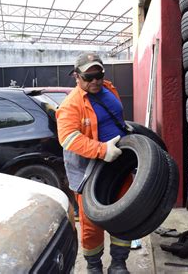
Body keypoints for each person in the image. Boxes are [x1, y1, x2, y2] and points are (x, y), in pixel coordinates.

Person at [56, 52, 131, 274]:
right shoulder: (71, 105)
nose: (95, 81)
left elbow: (118, 119)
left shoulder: (109, 89)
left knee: (123, 214)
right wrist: (101, 150)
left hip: (118, 166)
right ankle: (94, 266)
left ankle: (118, 263)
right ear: (76, 77)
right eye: (89, 77)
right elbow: (68, 138)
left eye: (99, 75)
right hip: (89, 172)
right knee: (92, 224)